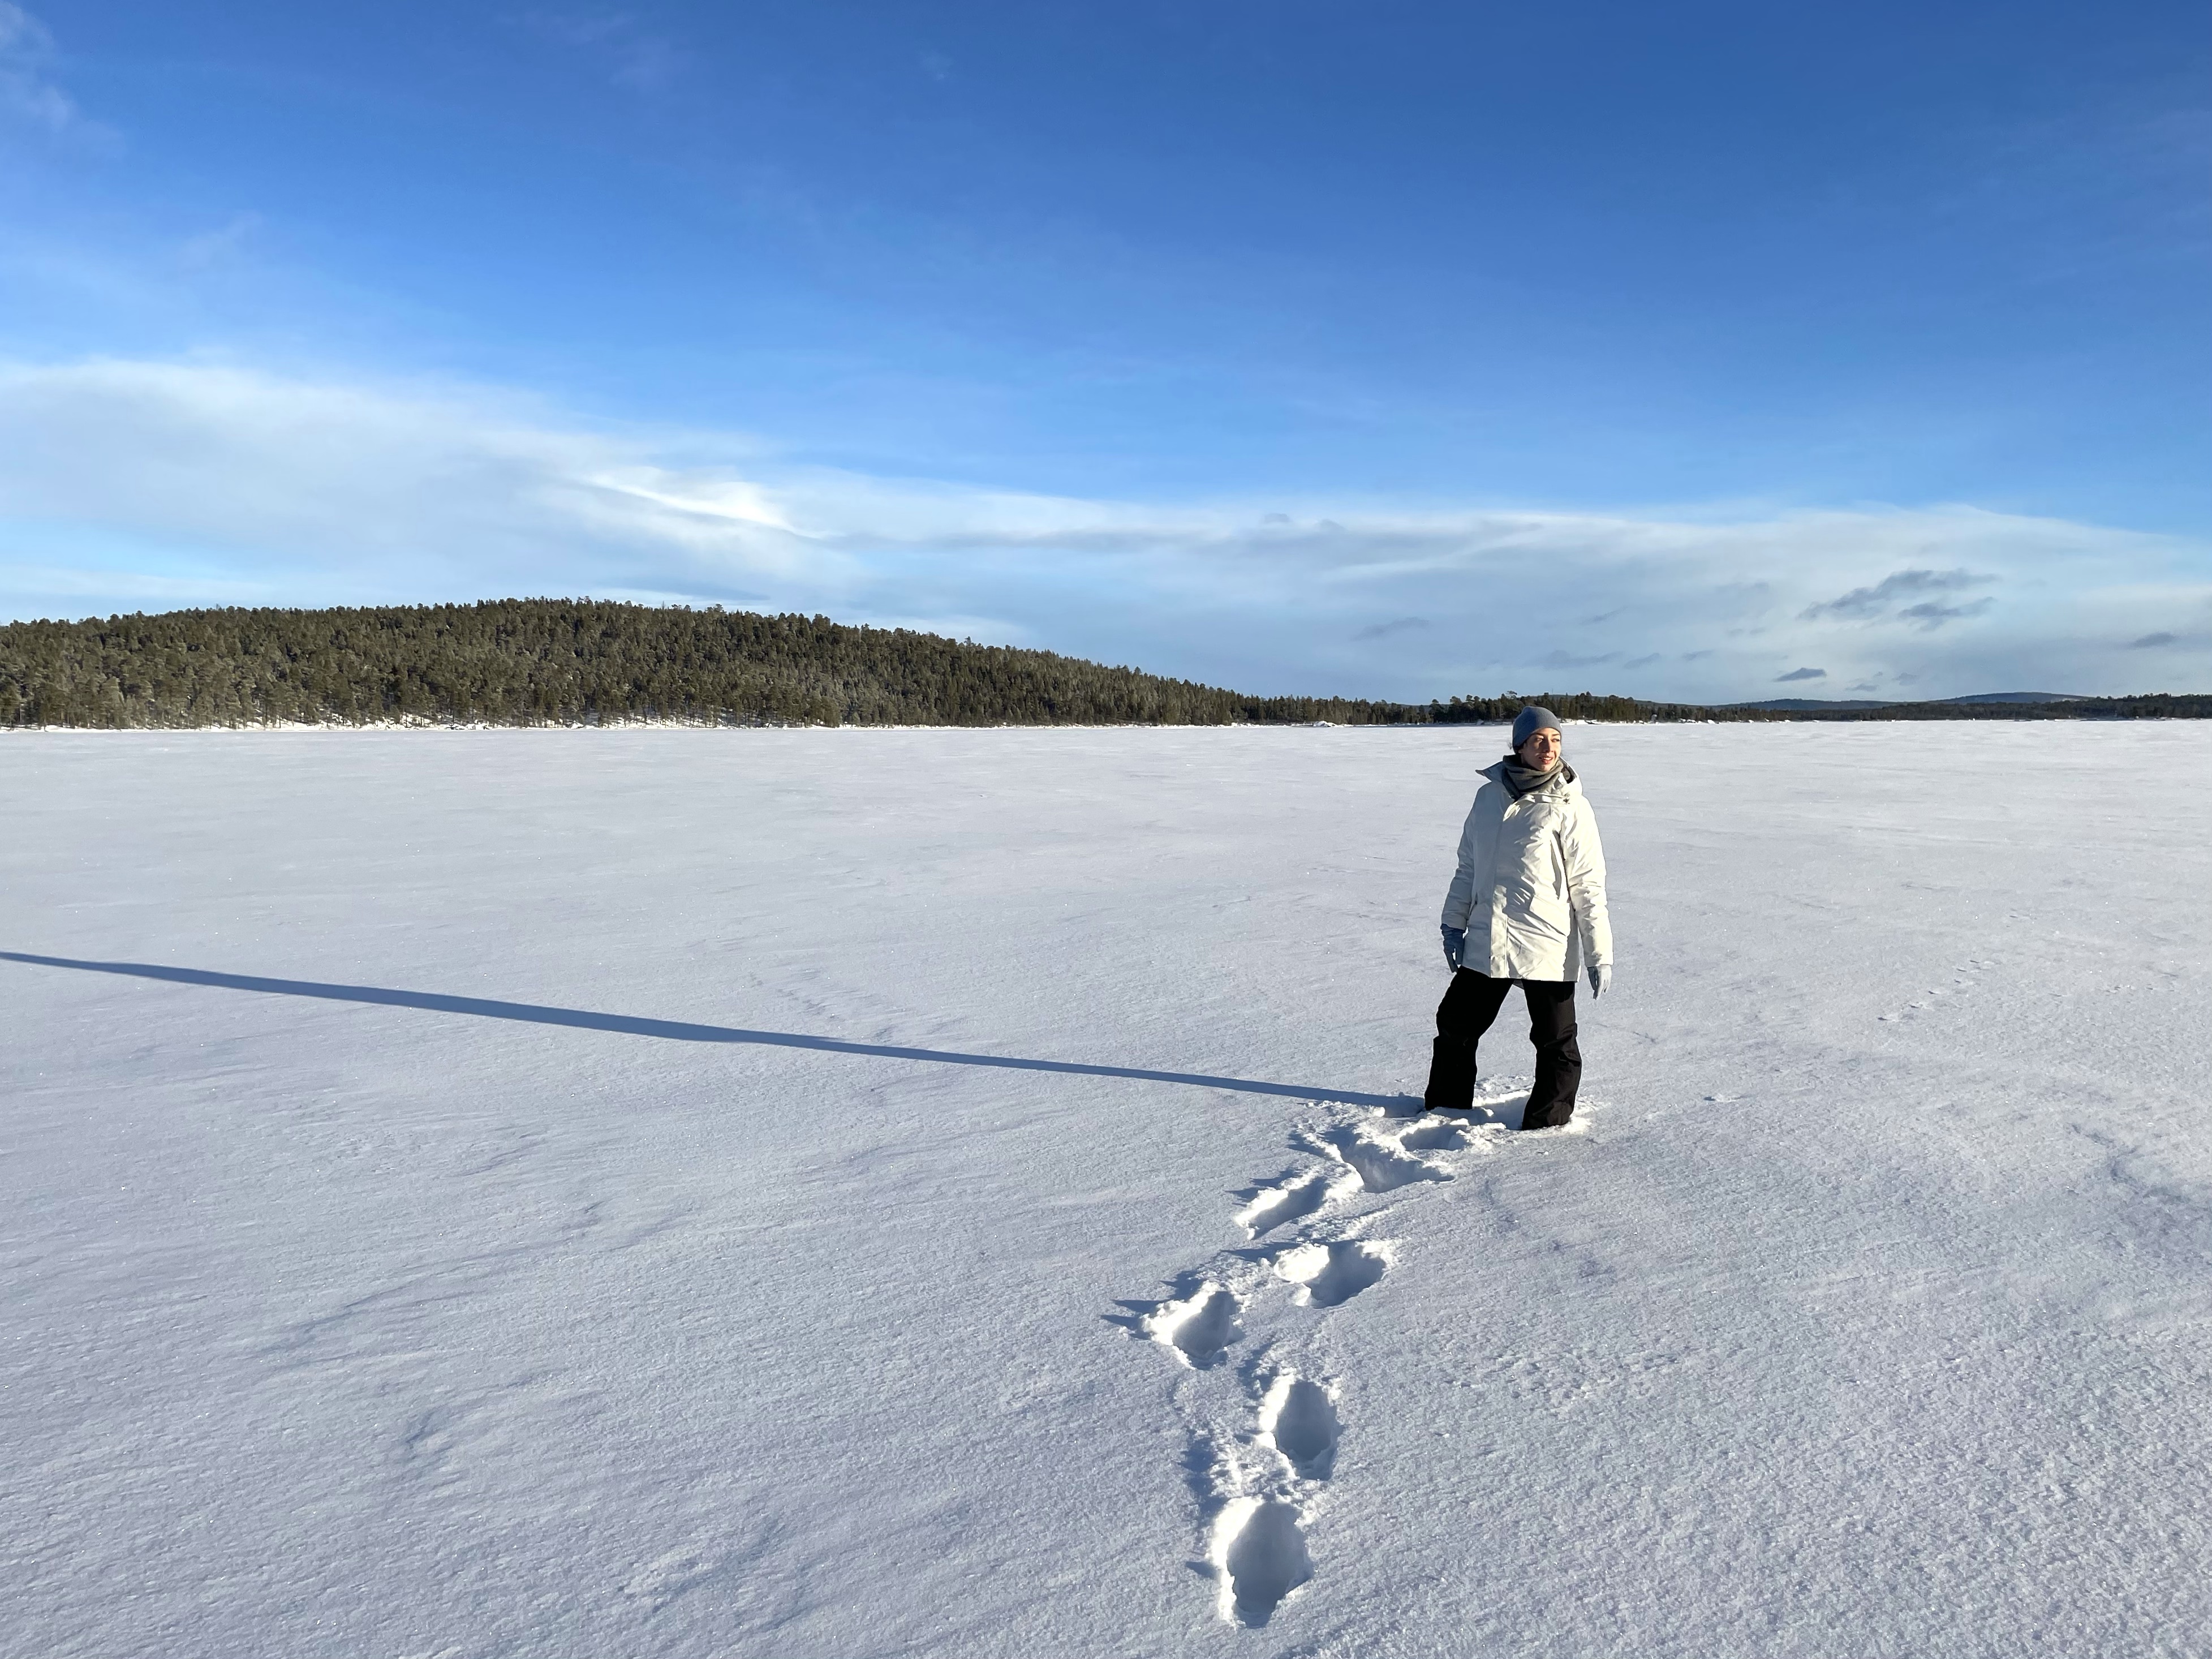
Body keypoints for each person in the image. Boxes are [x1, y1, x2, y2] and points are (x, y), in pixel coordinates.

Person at [1425, 706, 1612, 1128]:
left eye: (1556, 739)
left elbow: (1588, 885)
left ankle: (1547, 1124)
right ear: (1519, 745)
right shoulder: (1488, 797)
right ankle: (1446, 1110)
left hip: (1547, 941)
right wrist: (1453, 924)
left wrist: (1599, 953)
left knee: (1555, 1041)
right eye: (1538, 740)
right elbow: (1468, 868)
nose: (1548, 748)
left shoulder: (1570, 806)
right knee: (1455, 1025)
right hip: (1487, 938)